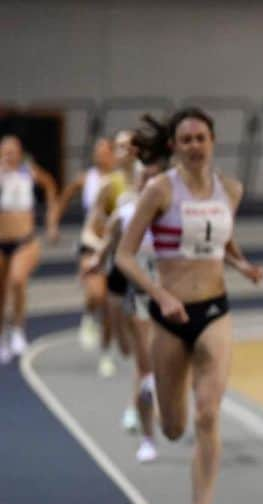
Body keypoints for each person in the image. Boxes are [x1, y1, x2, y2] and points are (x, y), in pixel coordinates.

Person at [116, 108, 263, 504]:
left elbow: (221, 238)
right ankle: (148, 393)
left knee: (208, 414)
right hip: (169, 316)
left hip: (214, 310)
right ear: (175, 146)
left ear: (213, 141)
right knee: (176, 427)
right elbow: (124, 256)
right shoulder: (160, 190)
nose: (195, 146)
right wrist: (160, 296)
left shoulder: (230, 190)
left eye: (201, 138)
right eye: (186, 140)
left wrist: (240, 263)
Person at [87, 151, 167, 463]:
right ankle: (148, 437)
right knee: (144, 365)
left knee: (163, 361)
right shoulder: (127, 209)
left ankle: (152, 408)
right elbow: (111, 239)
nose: (147, 183)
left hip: (174, 289)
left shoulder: (173, 208)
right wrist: (97, 259)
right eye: (142, 177)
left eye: (153, 178)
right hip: (141, 291)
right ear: (136, 180)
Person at [85, 130, 140, 379]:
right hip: (117, 257)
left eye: (129, 146)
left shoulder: (151, 180)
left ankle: (148, 368)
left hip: (145, 260)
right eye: (119, 147)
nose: (124, 152)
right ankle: (106, 352)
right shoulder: (110, 185)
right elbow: (95, 222)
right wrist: (97, 248)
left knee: (143, 318)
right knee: (111, 312)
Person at [0, 135, 59, 363]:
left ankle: (18, 329)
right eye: (5, 150)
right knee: (1, 291)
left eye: (13, 150)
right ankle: (3, 336)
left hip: (25, 239)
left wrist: (51, 219)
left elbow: (50, 185)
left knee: (17, 279)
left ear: (20, 151)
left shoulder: (28, 171)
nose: (9, 154)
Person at [55, 137, 115, 351]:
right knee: (96, 294)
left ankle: (105, 351)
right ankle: (89, 315)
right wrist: (53, 223)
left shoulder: (121, 180)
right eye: (97, 151)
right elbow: (64, 197)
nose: (101, 155)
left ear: (113, 153)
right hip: (91, 241)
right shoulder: (86, 178)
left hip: (115, 244)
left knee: (110, 303)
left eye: (105, 151)